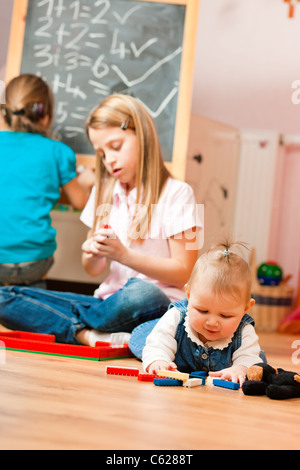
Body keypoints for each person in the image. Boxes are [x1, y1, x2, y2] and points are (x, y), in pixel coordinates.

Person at [0, 94, 202, 345]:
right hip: (107, 304)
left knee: (142, 292)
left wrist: (124, 255)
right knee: (4, 298)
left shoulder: (181, 193)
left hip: (157, 306)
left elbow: (185, 272)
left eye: (115, 147)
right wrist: (92, 253)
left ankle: (75, 324)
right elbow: (93, 269)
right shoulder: (104, 191)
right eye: (102, 154)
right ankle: (90, 334)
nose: (109, 160)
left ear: (143, 135)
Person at [0, 74, 94, 288]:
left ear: (4, 113)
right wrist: (87, 181)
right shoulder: (58, 152)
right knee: (29, 299)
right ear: (46, 116)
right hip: (34, 261)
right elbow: (80, 203)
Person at [130, 241, 265, 386]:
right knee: (142, 343)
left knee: (259, 359)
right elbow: (157, 345)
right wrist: (159, 361)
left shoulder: (244, 331)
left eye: (225, 316)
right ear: (188, 295)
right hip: (154, 330)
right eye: (203, 311)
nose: (212, 322)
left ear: (245, 308)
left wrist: (240, 368)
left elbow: (249, 358)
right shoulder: (177, 316)